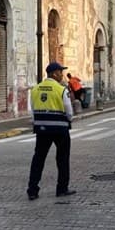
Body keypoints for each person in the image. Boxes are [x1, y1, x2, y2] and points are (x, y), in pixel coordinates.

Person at [27, 62, 75, 201]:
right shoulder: (61, 89)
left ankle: (32, 190)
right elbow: (69, 111)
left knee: (38, 159)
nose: (62, 74)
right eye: (60, 72)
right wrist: (68, 120)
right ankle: (62, 189)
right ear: (54, 73)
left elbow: (33, 110)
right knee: (62, 159)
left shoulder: (35, 89)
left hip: (42, 129)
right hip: (60, 129)